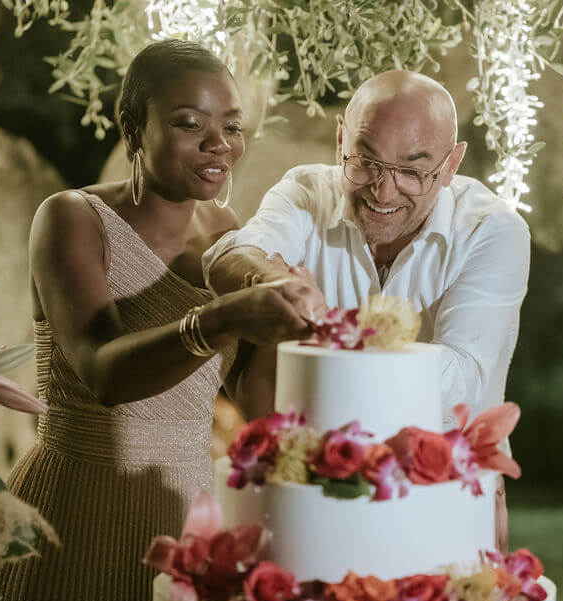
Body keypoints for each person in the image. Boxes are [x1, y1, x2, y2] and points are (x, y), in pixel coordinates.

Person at [0, 40, 313, 601]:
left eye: (231, 127)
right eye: (189, 123)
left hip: (187, 519)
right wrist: (222, 319)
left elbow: (257, 404)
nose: (218, 143)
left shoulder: (227, 235)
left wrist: (283, 320)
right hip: (76, 511)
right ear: (132, 126)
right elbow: (101, 371)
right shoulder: (70, 218)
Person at [202, 70, 531, 551]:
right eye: (366, 161)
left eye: (413, 171)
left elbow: (459, 381)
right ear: (340, 140)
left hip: (444, 504)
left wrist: (331, 332)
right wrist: (280, 284)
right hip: (310, 503)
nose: (383, 191)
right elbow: (226, 258)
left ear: (452, 162)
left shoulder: (493, 230)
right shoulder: (305, 192)